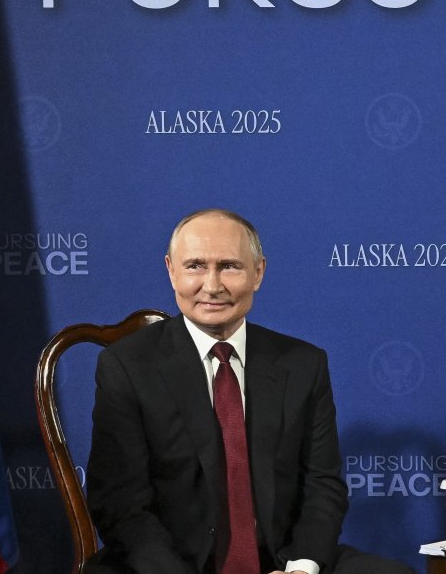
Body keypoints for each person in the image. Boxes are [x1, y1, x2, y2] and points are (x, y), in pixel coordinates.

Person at [86, 209, 413, 574]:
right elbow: (120, 504)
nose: (212, 285)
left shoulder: (303, 364)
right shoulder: (127, 367)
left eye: (229, 266)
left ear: (258, 272)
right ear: (171, 270)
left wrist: (301, 569)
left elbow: (323, 485)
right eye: (195, 266)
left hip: (281, 560)